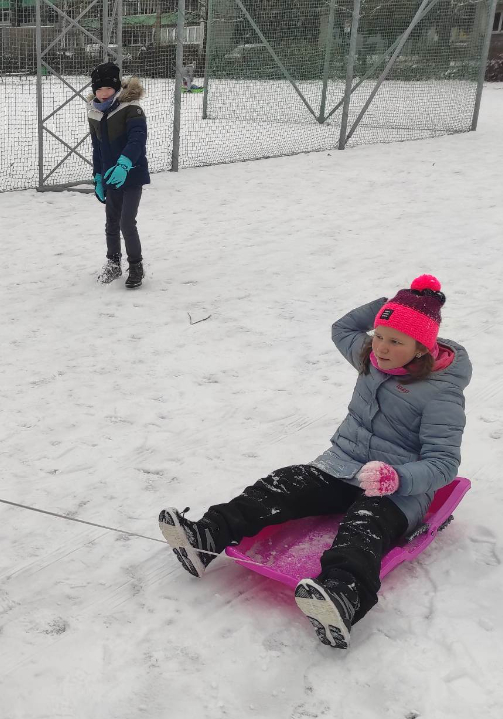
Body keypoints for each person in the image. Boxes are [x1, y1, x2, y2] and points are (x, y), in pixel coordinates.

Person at [158, 276, 470, 650]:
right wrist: (390, 305)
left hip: (397, 488)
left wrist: (398, 478)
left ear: (421, 349)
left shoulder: (441, 395)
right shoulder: (371, 358)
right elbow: (343, 328)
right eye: (379, 335)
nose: (382, 348)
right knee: (285, 484)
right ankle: (207, 535)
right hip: (345, 463)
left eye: (396, 341)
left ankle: (342, 595)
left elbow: (444, 462)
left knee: (364, 526)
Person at [88, 62, 150, 289]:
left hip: (131, 174)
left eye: (108, 88)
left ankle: (136, 265)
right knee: (111, 222)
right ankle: (113, 263)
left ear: (116, 87)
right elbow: (97, 148)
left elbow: (137, 140)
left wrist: (124, 165)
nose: (103, 93)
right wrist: (98, 176)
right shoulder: (95, 113)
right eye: (99, 89)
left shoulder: (131, 108)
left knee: (126, 222)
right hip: (110, 175)